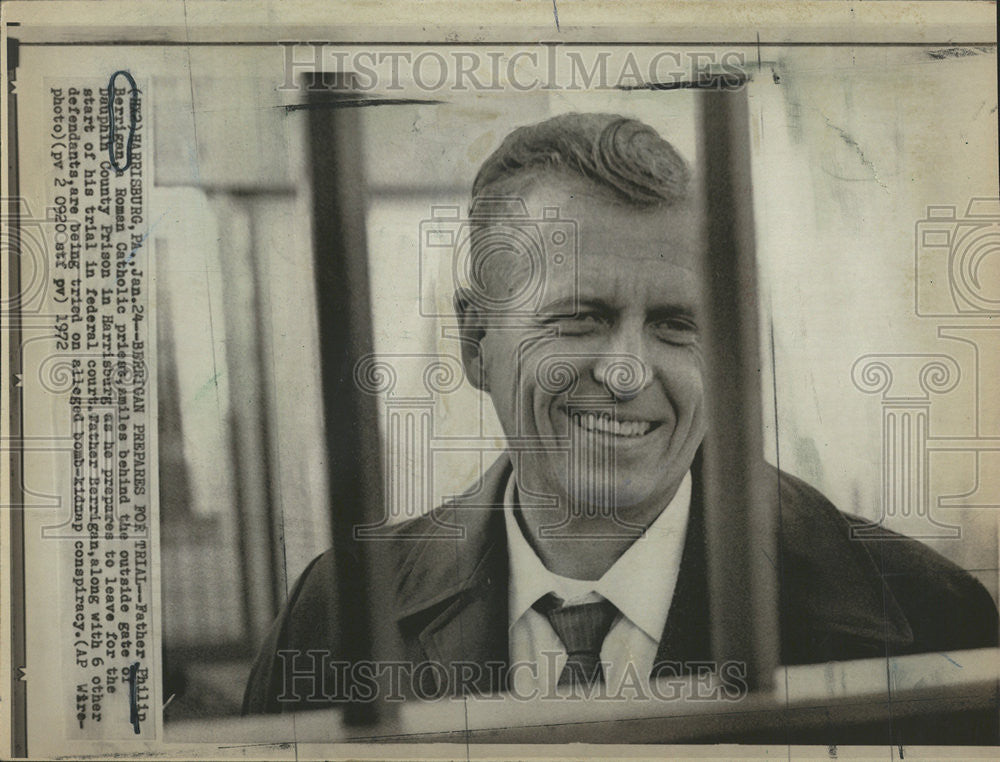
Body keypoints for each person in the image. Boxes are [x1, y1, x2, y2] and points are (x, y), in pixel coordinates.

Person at [243, 112, 998, 714]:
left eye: (676, 324)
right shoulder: (336, 618)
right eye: (579, 319)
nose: (629, 369)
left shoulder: (924, 618)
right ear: (477, 344)